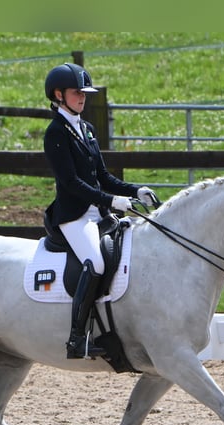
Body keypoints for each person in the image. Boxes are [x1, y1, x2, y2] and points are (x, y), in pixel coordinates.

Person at [43, 62, 157, 359]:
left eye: (84, 93)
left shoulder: (87, 129)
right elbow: (71, 182)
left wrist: (134, 191)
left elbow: (102, 176)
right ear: (58, 95)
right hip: (74, 216)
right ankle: (77, 337)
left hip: (99, 214)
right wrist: (111, 201)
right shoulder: (55, 132)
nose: (82, 97)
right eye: (76, 92)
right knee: (95, 262)